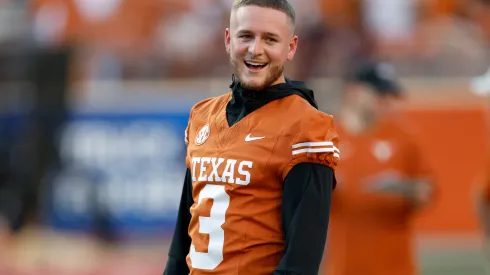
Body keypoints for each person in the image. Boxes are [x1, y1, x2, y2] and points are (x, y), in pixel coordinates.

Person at [163, 0, 340, 274]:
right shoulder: (203, 115)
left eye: (270, 39)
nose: (256, 49)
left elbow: (301, 261)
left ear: (290, 47)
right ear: (228, 39)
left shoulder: (306, 125)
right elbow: (181, 242)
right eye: (246, 36)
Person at [321, 62, 435, 275]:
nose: (386, 103)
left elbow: (426, 191)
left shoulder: (404, 136)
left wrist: (402, 188)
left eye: (388, 96)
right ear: (355, 91)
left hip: (396, 267)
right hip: (344, 265)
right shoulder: (325, 136)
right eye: (379, 94)